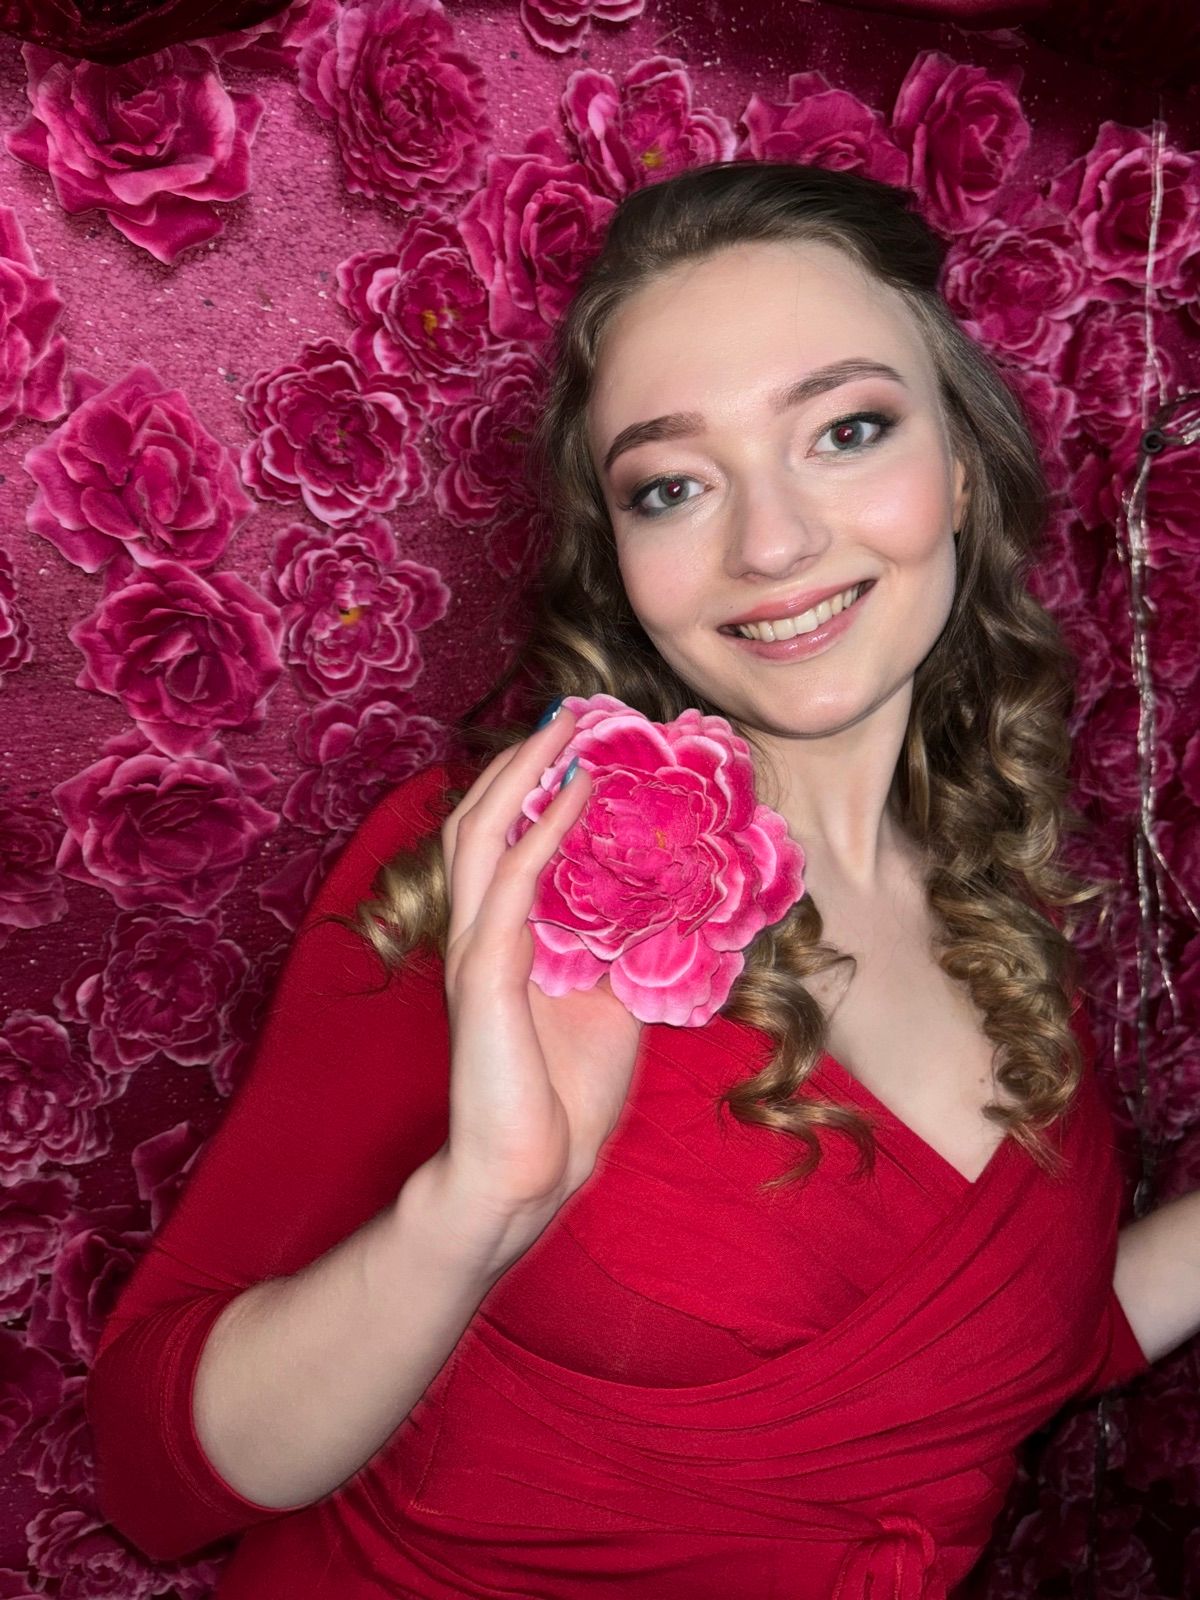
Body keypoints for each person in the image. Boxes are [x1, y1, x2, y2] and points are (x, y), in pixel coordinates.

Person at [86, 161, 1198, 1599]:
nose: (771, 543)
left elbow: (993, 1361)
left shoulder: (1006, 894)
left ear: (966, 466)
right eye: (673, 486)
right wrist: (476, 1210)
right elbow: (156, 1466)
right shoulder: (502, 860)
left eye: (848, 430)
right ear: (618, 553)